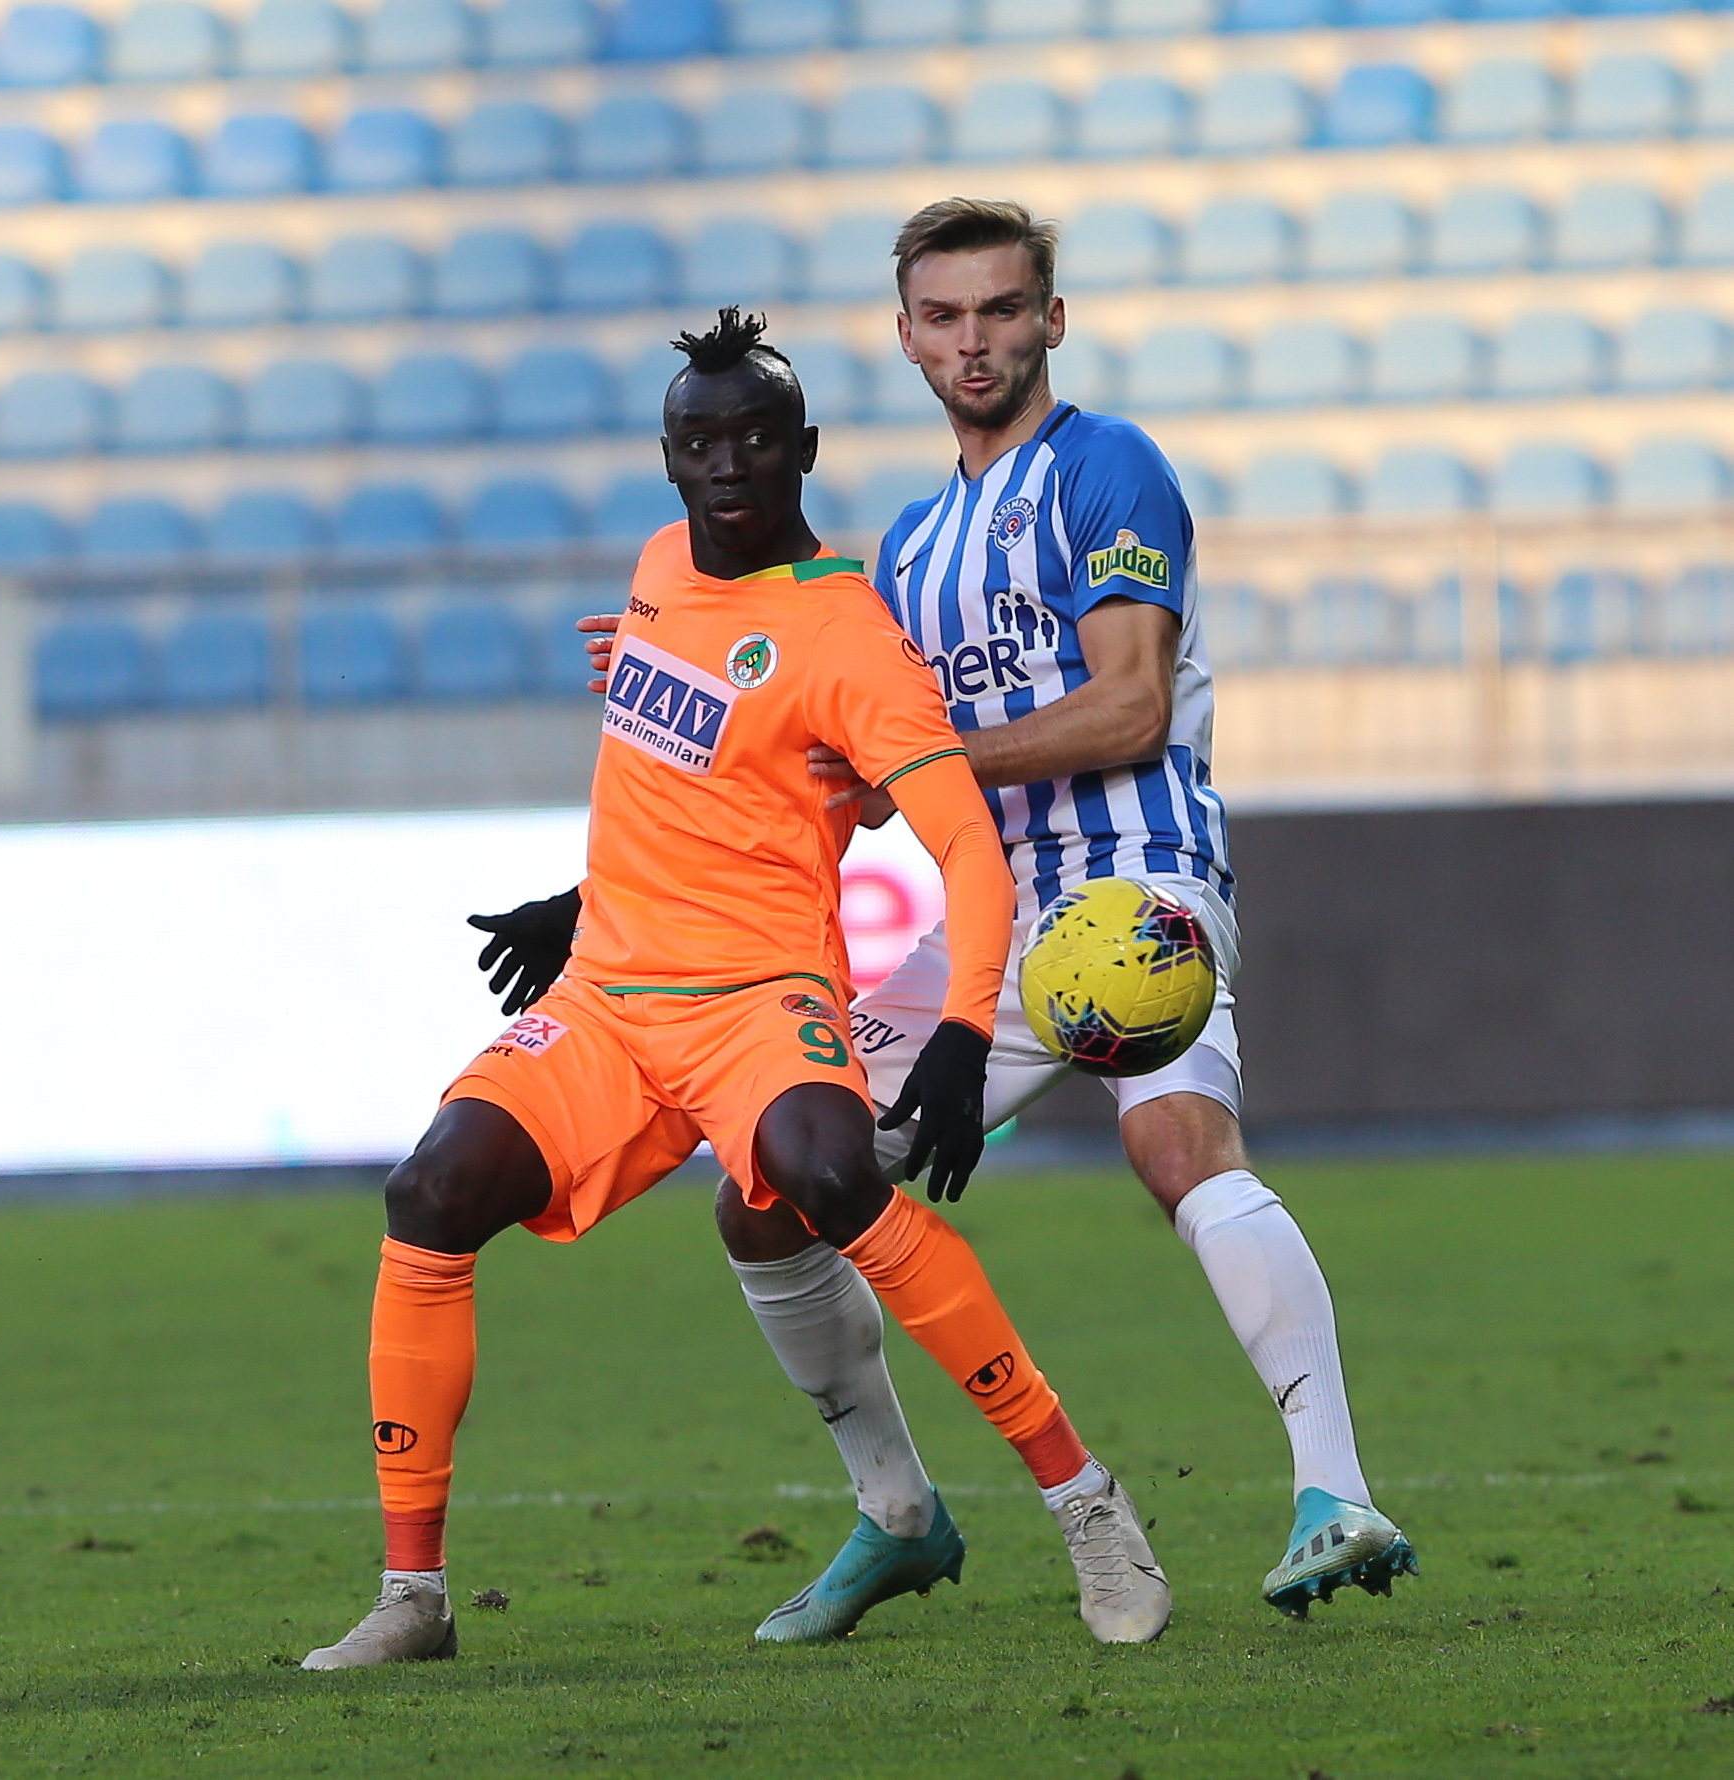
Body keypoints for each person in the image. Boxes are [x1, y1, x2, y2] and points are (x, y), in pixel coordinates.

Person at [550, 202, 1417, 1636]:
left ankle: (1334, 1490)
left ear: (1050, 322)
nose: (975, 341)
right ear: (906, 337)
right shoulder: (906, 553)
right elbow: (842, 780)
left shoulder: (1107, 468)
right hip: (989, 916)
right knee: (766, 1197)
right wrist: (679, 702)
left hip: (1135, 882)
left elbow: (1130, 705)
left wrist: (926, 760)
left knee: (1174, 1144)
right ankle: (897, 1513)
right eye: (945, 317)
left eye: (1003, 310)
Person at [300, 308, 1169, 1671]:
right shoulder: (659, 568)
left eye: (756, 438)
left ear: (803, 449)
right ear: (668, 459)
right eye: (700, 443)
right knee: (432, 1189)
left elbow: (963, 848)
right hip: (610, 996)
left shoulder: (848, 638)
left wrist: (958, 1035)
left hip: (761, 997)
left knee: (829, 1174)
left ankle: (1086, 1505)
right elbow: (688, 772)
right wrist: (579, 901)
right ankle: (415, 1596)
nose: (727, 465)